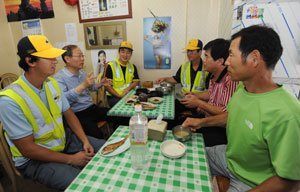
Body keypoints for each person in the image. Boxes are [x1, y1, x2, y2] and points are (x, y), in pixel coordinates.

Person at [184, 25, 300, 191]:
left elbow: (291, 181)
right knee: (186, 156)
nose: (227, 61)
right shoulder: (241, 89)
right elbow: (230, 116)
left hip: (251, 181)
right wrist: (200, 123)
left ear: (254, 58)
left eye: (231, 55)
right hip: (229, 158)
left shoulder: (288, 113)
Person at [0, 35, 105, 190]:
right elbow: (27, 149)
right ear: (30, 61)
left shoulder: (51, 84)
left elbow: (69, 114)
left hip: (63, 140)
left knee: (108, 148)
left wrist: (84, 141)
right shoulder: (10, 100)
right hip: (35, 159)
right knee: (84, 184)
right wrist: (71, 159)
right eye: (49, 57)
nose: (56, 61)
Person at [181, 38, 238, 146]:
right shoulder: (213, 75)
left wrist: (199, 103)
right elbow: (211, 94)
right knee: (181, 123)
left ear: (220, 61)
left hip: (219, 130)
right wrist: (195, 95)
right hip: (208, 119)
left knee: (188, 139)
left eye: (206, 56)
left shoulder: (230, 80)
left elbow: (226, 114)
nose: (204, 60)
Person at [54, 45, 112, 139]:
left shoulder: (82, 72)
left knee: (117, 115)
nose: (82, 59)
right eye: (79, 56)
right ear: (67, 59)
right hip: (77, 114)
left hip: (92, 108)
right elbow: (63, 101)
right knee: (98, 137)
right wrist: (83, 85)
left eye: (83, 56)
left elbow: (91, 88)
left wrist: (100, 83)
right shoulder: (59, 78)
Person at [154, 39, 210, 121]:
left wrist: (203, 105)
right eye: (188, 51)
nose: (189, 54)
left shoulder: (207, 69)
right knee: (167, 113)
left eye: (192, 51)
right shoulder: (184, 66)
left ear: (200, 52)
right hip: (183, 101)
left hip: (198, 104)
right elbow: (176, 79)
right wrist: (164, 78)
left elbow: (211, 92)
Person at [104, 41, 140, 107]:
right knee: (127, 107)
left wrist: (128, 88)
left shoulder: (132, 66)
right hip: (114, 97)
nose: (125, 55)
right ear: (119, 52)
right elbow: (107, 86)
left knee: (140, 104)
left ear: (131, 54)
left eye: (128, 52)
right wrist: (119, 96)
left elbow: (136, 81)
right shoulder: (110, 65)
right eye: (123, 51)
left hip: (129, 95)